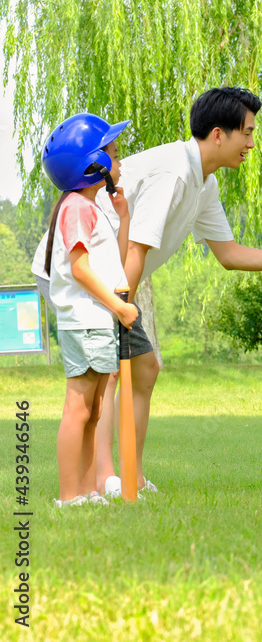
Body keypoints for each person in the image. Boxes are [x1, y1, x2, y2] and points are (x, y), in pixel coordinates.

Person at [33, 87, 262, 497]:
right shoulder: (175, 170)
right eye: (247, 132)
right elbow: (136, 252)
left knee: (144, 367)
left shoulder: (203, 183)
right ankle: (108, 480)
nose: (252, 142)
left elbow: (229, 254)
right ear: (219, 134)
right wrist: (119, 308)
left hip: (110, 275)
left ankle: (126, 476)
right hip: (79, 271)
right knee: (106, 375)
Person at [36, 113, 139, 507]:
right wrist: (117, 307)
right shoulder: (76, 208)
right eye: (113, 150)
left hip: (97, 320)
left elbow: (113, 258)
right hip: (86, 321)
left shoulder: (90, 208)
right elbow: (80, 269)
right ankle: (69, 495)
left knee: (95, 411)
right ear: (93, 164)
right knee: (79, 409)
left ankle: (87, 489)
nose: (119, 157)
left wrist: (123, 214)